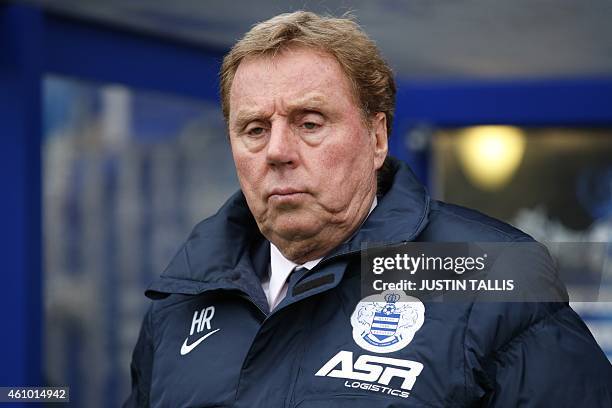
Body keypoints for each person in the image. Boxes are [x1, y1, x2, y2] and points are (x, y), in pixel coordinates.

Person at [124, 11, 612, 407]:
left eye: (309, 123)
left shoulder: (491, 275)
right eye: (254, 129)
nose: (277, 151)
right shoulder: (185, 296)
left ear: (376, 137)